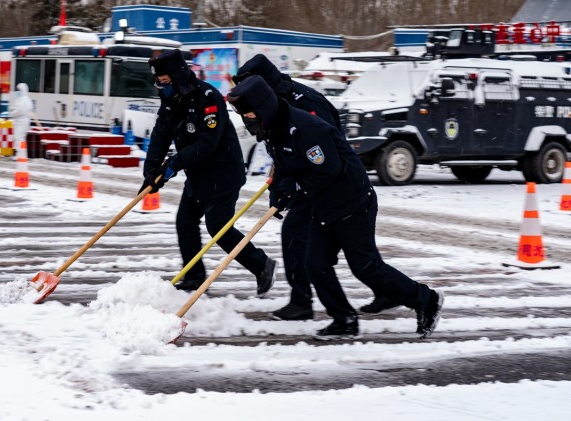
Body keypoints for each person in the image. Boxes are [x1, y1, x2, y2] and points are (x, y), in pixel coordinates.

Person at [227, 76, 444, 340]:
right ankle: (344, 319)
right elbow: (284, 165)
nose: (247, 120)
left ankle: (426, 299)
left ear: (263, 107)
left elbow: (327, 171)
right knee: (315, 263)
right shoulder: (273, 127)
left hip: (351, 201)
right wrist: (278, 192)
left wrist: (295, 191)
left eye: (248, 113)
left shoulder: (305, 128)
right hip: (323, 203)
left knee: (365, 267)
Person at [232, 54, 398, 320]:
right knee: (355, 251)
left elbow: (324, 148)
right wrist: (278, 186)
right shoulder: (275, 104)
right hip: (308, 178)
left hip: (327, 181)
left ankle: (302, 301)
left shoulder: (304, 102)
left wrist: (297, 185)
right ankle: (385, 289)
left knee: (298, 237)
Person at [141, 49, 278, 295]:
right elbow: (161, 134)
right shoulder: (171, 100)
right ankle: (193, 277)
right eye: (159, 83)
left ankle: (261, 265)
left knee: (218, 228)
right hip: (197, 174)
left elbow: (207, 143)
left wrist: (174, 163)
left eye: (165, 81)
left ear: (178, 76)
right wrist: (151, 171)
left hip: (222, 174)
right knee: (185, 223)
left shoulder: (207, 97)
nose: (162, 87)